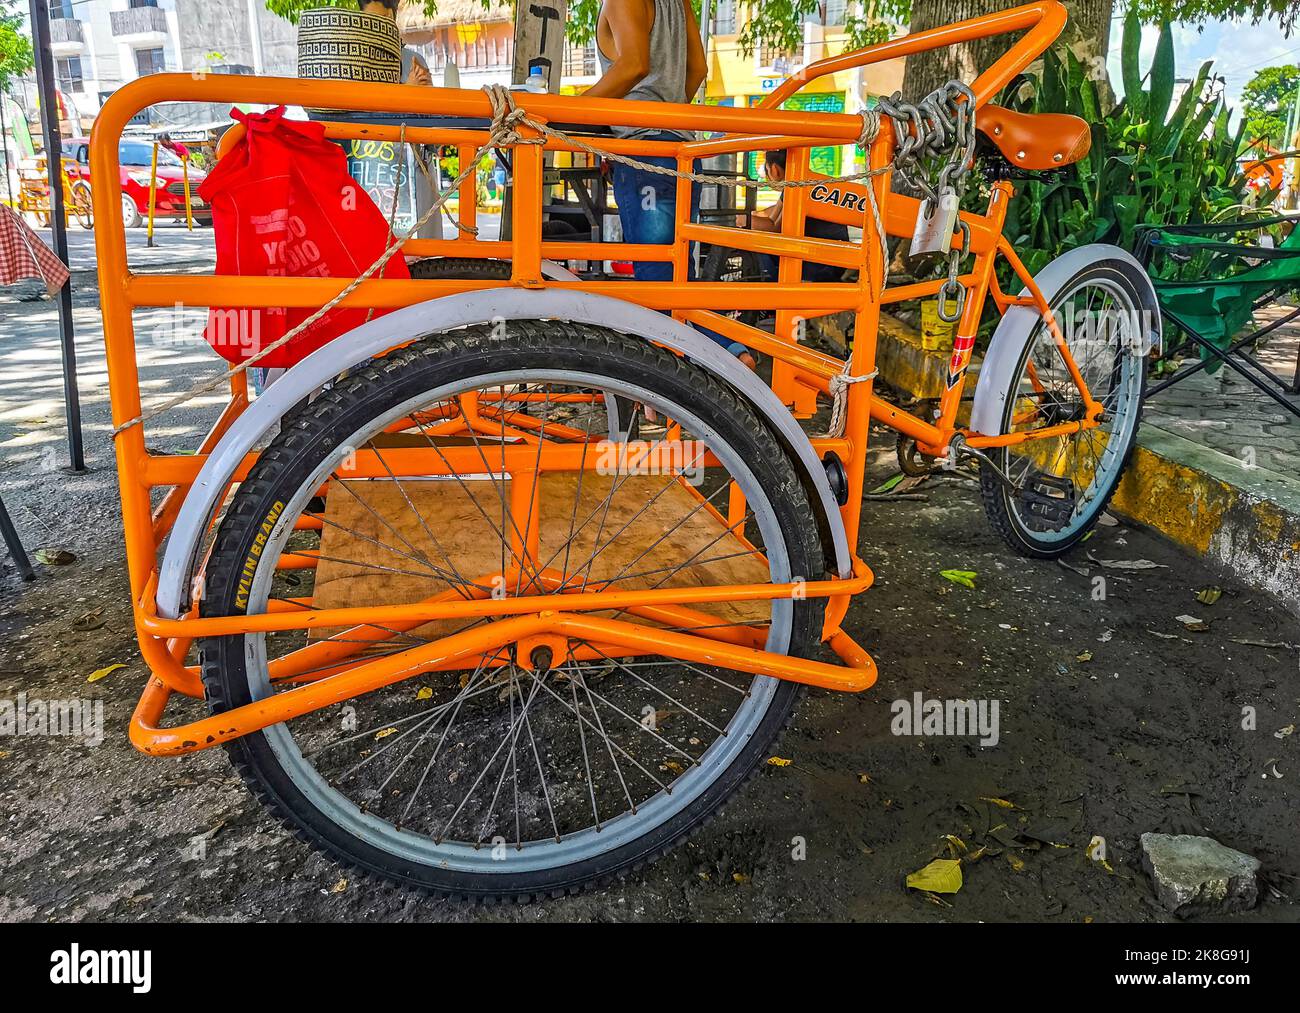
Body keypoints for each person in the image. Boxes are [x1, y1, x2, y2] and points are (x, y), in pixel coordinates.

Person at [590, 0, 754, 367]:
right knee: (680, 273)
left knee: (657, 279)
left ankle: (724, 356)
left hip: (645, 147)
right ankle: (721, 356)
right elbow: (697, 69)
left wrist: (558, 111)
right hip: (679, 147)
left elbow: (633, 66)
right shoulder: (678, 3)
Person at [738, 147, 850, 284]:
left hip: (818, 266)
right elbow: (774, 213)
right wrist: (752, 215)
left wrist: (739, 219)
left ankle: (770, 293)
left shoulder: (794, 186)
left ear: (774, 169)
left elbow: (774, 226)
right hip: (835, 260)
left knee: (758, 246)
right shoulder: (803, 182)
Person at [357, 0, 431, 86]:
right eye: (369, 21)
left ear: (391, 16)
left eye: (381, 20)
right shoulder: (357, 60)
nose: (374, 27)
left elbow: (430, 96)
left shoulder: (415, 61)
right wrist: (408, 89)